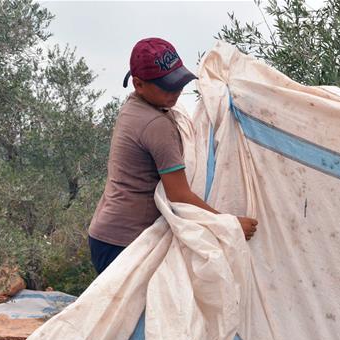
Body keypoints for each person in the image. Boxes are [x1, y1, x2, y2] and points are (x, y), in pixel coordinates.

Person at [88, 37, 257, 274]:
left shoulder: (134, 106)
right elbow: (179, 195)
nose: (176, 91)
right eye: (167, 86)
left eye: (179, 82)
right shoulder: (156, 123)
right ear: (138, 84)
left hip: (106, 234)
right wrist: (229, 225)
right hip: (124, 243)